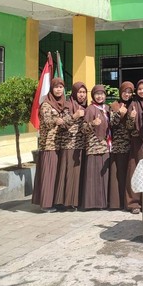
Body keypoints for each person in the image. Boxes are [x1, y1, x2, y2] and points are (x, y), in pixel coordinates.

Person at [32, 78, 70, 212]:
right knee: (49, 173)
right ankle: (46, 203)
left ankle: (56, 201)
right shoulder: (46, 104)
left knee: (57, 174)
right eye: (56, 87)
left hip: (61, 144)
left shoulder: (63, 103)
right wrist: (57, 120)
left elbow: (66, 122)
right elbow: (47, 122)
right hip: (49, 145)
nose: (59, 89)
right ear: (51, 89)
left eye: (61, 87)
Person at [54, 82, 87, 210]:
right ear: (74, 92)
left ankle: (75, 200)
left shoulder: (85, 106)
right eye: (79, 92)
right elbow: (62, 124)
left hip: (81, 145)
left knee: (77, 175)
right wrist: (75, 116)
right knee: (68, 174)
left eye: (84, 92)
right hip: (69, 144)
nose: (82, 95)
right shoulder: (67, 105)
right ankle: (66, 202)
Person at [79, 85, 110, 210]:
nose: (100, 96)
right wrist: (93, 123)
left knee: (104, 176)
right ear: (93, 96)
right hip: (94, 146)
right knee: (93, 175)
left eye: (102, 94)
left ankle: (103, 202)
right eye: (97, 94)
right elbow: (83, 128)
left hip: (106, 146)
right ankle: (92, 203)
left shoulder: (106, 108)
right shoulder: (90, 109)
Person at [108, 82, 138, 210]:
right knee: (120, 174)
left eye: (129, 92)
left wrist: (131, 118)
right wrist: (119, 113)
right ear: (120, 92)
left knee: (129, 174)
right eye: (125, 92)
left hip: (132, 145)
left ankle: (129, 202)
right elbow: (112, 124)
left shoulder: (133, 105)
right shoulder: (114, 105)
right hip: (119, 145)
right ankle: (118, 202)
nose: (127, 94)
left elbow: (131, 127)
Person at [126, 79, 143, 214]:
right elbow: (128, 127)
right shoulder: (133, 104)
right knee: (135, 170)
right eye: (140, 89)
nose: (142, 91)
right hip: (137, 141)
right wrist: (131, 117)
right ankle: (134, 203)